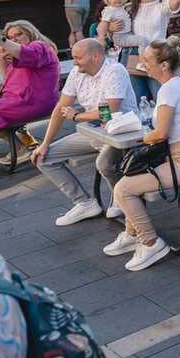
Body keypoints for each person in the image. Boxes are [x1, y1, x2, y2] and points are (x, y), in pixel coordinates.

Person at [103, 38, 180, 271]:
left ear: (164, 65)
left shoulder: (168, 90)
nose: (142, 64)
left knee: (123, 188)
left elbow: (160, 134)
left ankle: (150, 242)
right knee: (129, 182)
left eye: (147, 60)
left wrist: (141, 136)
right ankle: (131, 232)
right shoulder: (175, 86)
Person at [32, 39, 136, 226]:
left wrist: (77, 117)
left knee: (103, 163)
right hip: (94, 131)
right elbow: (61, 108)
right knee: (43, 158)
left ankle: (121, 196)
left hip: (120, 132)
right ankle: (85, 203)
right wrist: (45, 144)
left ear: (95, 57)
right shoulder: (76, 73)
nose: (74, 62)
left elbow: (110, 111)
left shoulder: (115, 71)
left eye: (78, 57)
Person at [101, 0, 180, 100]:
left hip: (158, 56)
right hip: (133, 57)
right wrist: (110, 29)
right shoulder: (128, 8)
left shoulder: (162, 4)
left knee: (161, 98)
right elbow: (114, 31)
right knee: (138, 99)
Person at [0, 21, 60, 165]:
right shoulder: (21, 57)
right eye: (11, 37)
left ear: (30, 32)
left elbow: (29, 54)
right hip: (27, 101)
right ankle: (22, 144)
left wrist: (2, 40)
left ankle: (20, 148)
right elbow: (9, 81)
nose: (15, 39)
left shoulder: (39, 47)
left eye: (19, 34)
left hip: (33, 102)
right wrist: (0, 58)